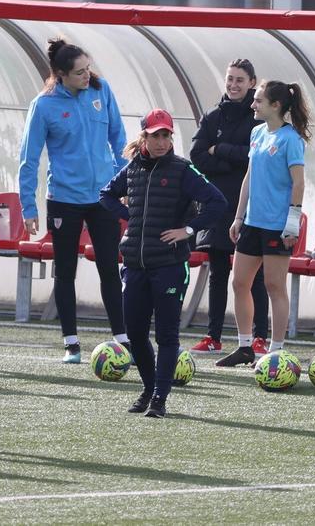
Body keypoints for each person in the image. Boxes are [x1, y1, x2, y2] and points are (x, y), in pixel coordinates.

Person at [100, 109, 226, 418]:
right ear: (144, 137)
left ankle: (159, 398)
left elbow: (217, 202)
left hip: (169, 265)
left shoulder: (182, 170)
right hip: (135, 265)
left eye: (166, 135)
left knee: (167, 336)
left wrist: (189, 230)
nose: (161, 142)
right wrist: (132, 218)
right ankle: (148, 388)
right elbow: (106, 195)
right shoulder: (132, 169)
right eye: (155, 135)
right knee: (135, 333)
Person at [18, 38, 128, 363]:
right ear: (61, 75)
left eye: (88, 68)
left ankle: (123, 338)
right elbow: (29, 158)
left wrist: (124, 182)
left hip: (104, 197)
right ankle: (71, 343)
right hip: (64, 200)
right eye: (79, 72)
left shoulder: (101, 91)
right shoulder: (44, 105)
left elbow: (119, 138)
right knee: (65, 272)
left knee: (110, 268)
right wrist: (28, 206)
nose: (86, 75)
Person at [215, 81, 311, 368]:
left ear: (276, 105)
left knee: (274, 285)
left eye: (258, 101)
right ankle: (245, 347)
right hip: (252, 222)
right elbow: (250, 176)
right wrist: (238, 217)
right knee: (239, 282)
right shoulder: (257, 132)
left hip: (277, 225)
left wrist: (292, 223)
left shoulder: (291, 139)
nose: (253, 104)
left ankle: (276, 349)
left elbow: (298, 183)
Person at [187, 59, 270, 356]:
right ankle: (213, 336)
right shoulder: (212, 117)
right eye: (230, 79)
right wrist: (229, 164)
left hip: (250, 205)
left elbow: (256, 157)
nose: (233, 85)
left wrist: (220, 150)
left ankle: (259, 337)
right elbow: (197, 155)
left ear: (252, 83)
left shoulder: (259, 118)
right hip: (218, 205)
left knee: (254, 275)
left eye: (240, 80)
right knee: (218, 271)